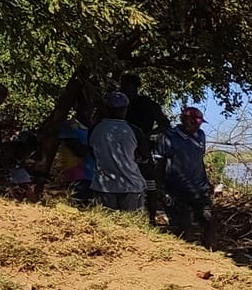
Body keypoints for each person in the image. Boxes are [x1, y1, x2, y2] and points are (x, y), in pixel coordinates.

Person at [88, 93, 146, 212]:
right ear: (126, 109)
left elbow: (91, 152)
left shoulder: (95, 129)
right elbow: (144, 156)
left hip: (103, 186)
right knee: (131, 227)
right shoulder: (134, 131)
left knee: (106, 227)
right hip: (131, 186)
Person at [159, 106, 212, 235]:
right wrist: (159, 188)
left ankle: (210, 249)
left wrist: (207, 182)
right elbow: (159, 163)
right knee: (182, 226)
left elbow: (198, 160)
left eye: (199, 124)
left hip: (200, 189)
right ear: (184, 120)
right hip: (177, 190)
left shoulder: (200, 135)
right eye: (193, 122)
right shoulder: (168, 137)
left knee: (208, 221)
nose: (196, 127)